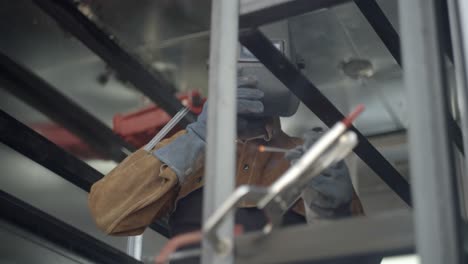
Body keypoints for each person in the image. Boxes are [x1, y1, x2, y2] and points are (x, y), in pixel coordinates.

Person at [88, 75, 366, 263]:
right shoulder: (194, 145)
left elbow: (363, 258)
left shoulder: (309, 160)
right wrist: (199, 137)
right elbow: (108, 213)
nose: (250, 79)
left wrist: (336, 214)